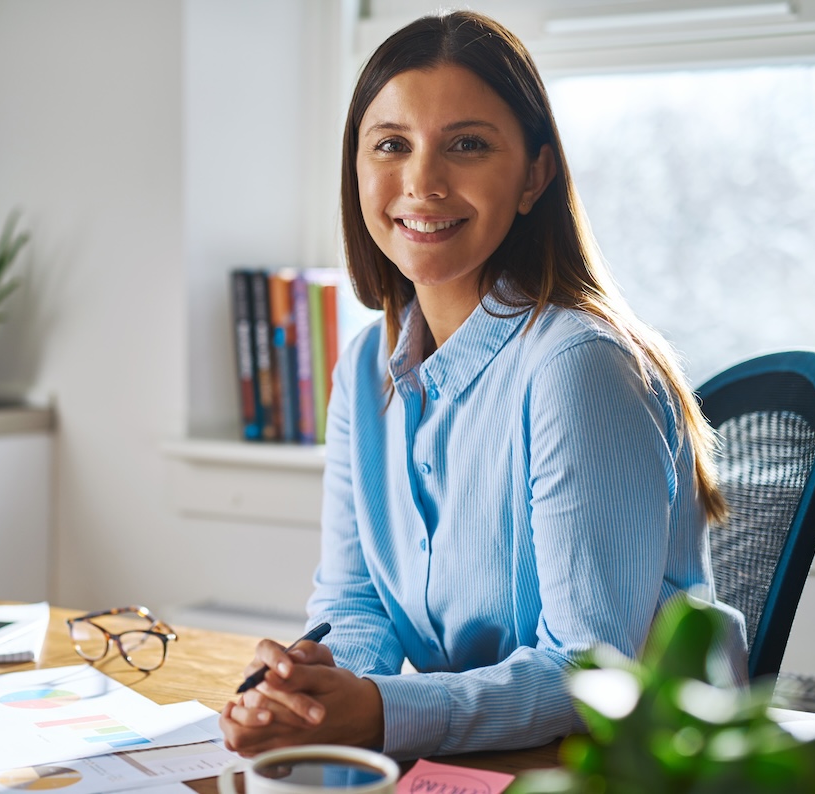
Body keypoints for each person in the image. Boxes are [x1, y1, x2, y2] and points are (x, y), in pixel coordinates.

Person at [218, 10, 748, 760]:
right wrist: (309, 695)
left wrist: (376, 710)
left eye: (467, 145)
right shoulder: (364, 367)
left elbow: (591, 675)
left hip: (623, 766)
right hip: (476, 761)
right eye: (392, 145)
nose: (423, 181)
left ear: (534, 174)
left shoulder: (578, 365)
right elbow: (353, 606)